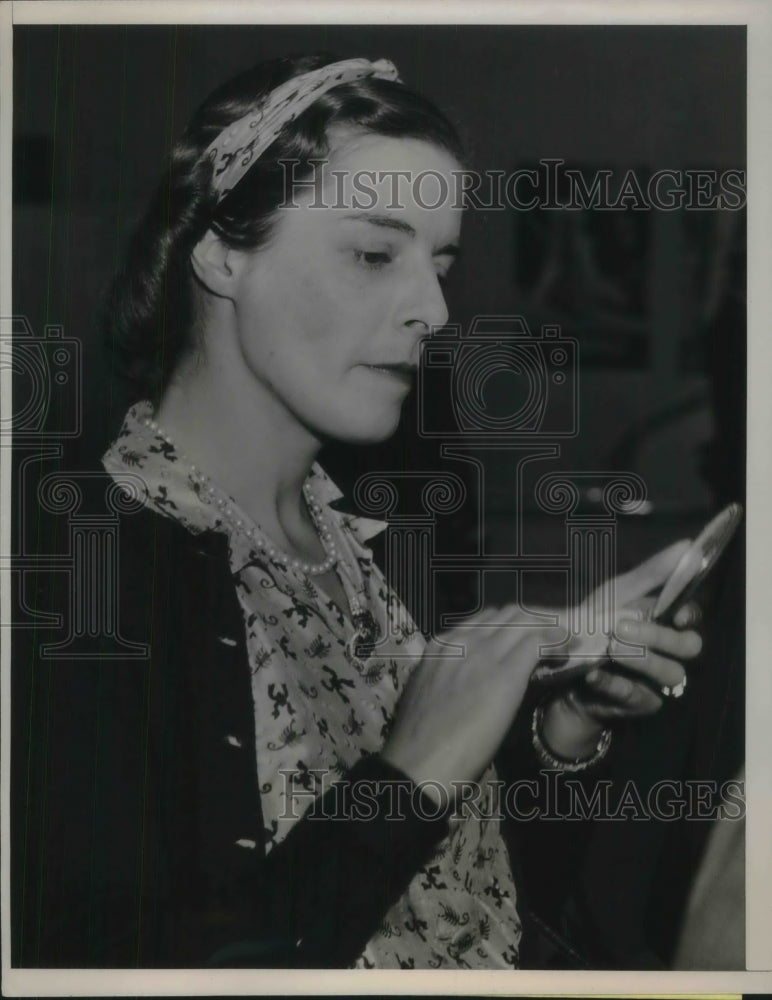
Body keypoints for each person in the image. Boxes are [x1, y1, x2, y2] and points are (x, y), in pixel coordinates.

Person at [12, 53, 702, 971]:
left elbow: (448, 913)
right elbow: (135, 972)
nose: (434, 309)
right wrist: (411, 773)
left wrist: (558, 724)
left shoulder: (366, 540)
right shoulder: (74, 572)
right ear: (221, 253)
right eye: (375, 254)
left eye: (441, 261)